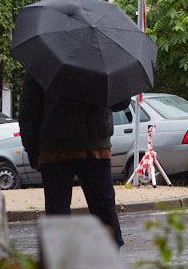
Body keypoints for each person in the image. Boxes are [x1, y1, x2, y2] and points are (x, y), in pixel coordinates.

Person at [18, 73, 124, 247]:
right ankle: (112, 257)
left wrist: (31, 148)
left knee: (58, 214)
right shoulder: (100, 56)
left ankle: (60, 264)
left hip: (55, 148)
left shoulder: (44, 58)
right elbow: (121, 101)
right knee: (104, 209)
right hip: (95, 146)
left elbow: (28, 109)